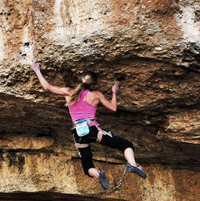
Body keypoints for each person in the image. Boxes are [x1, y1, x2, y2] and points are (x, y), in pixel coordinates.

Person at [31, 61, 146, 190]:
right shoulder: (96, 95)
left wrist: (37, 71)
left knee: (87, 166)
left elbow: (47, 87)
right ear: (93, 84)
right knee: (125, 144)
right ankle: (133, 164)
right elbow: (113, 108)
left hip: (78, 133)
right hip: (93, 130)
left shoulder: (69, 92)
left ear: (81, 80)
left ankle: (98, 174)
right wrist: (114, 92)